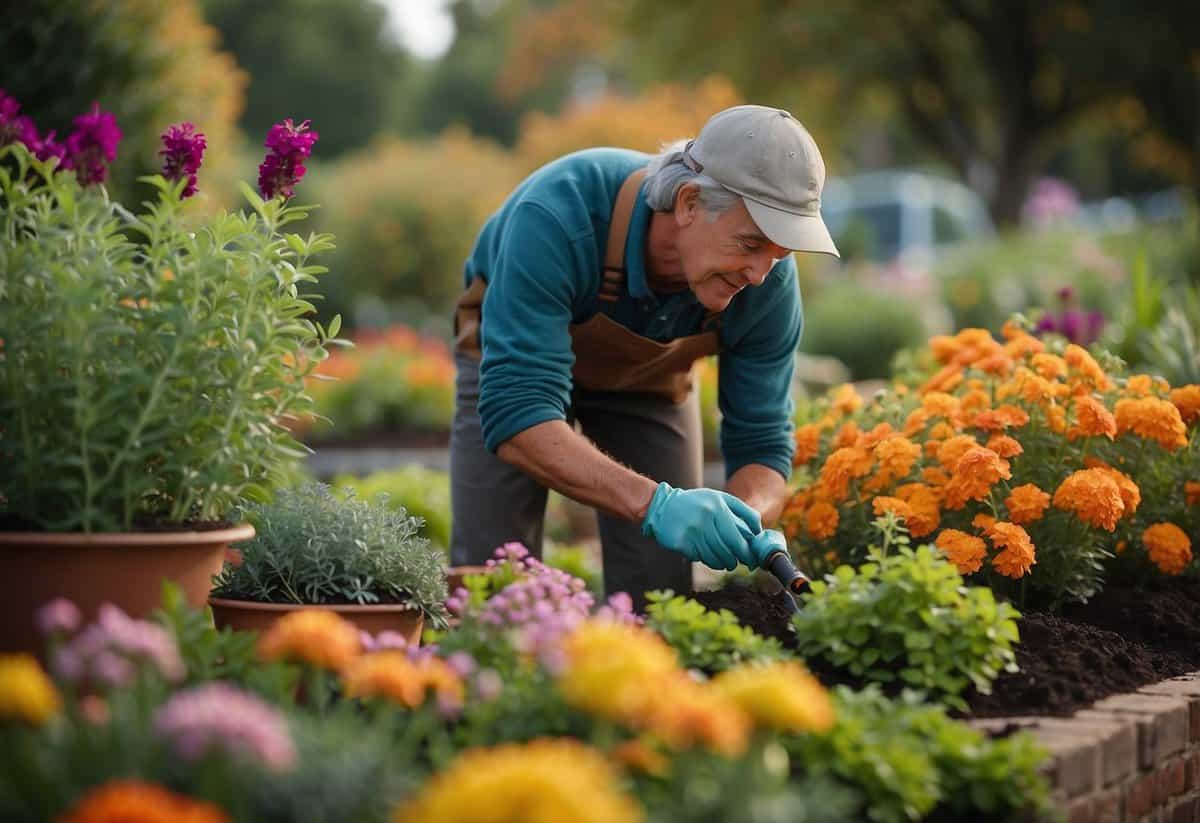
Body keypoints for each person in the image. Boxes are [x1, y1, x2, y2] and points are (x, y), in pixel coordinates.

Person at [449, 104, 839, 609]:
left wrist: (745, 516)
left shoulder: (766, 284)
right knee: (494, 581)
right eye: (750, 243)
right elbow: (519, 412)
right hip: (511, 375)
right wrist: (658, 504)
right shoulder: (557, 214)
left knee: (660, 595)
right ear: (689, 203)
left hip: (650, 387)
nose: (760, 274)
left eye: (780, 254)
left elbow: (762, 439)